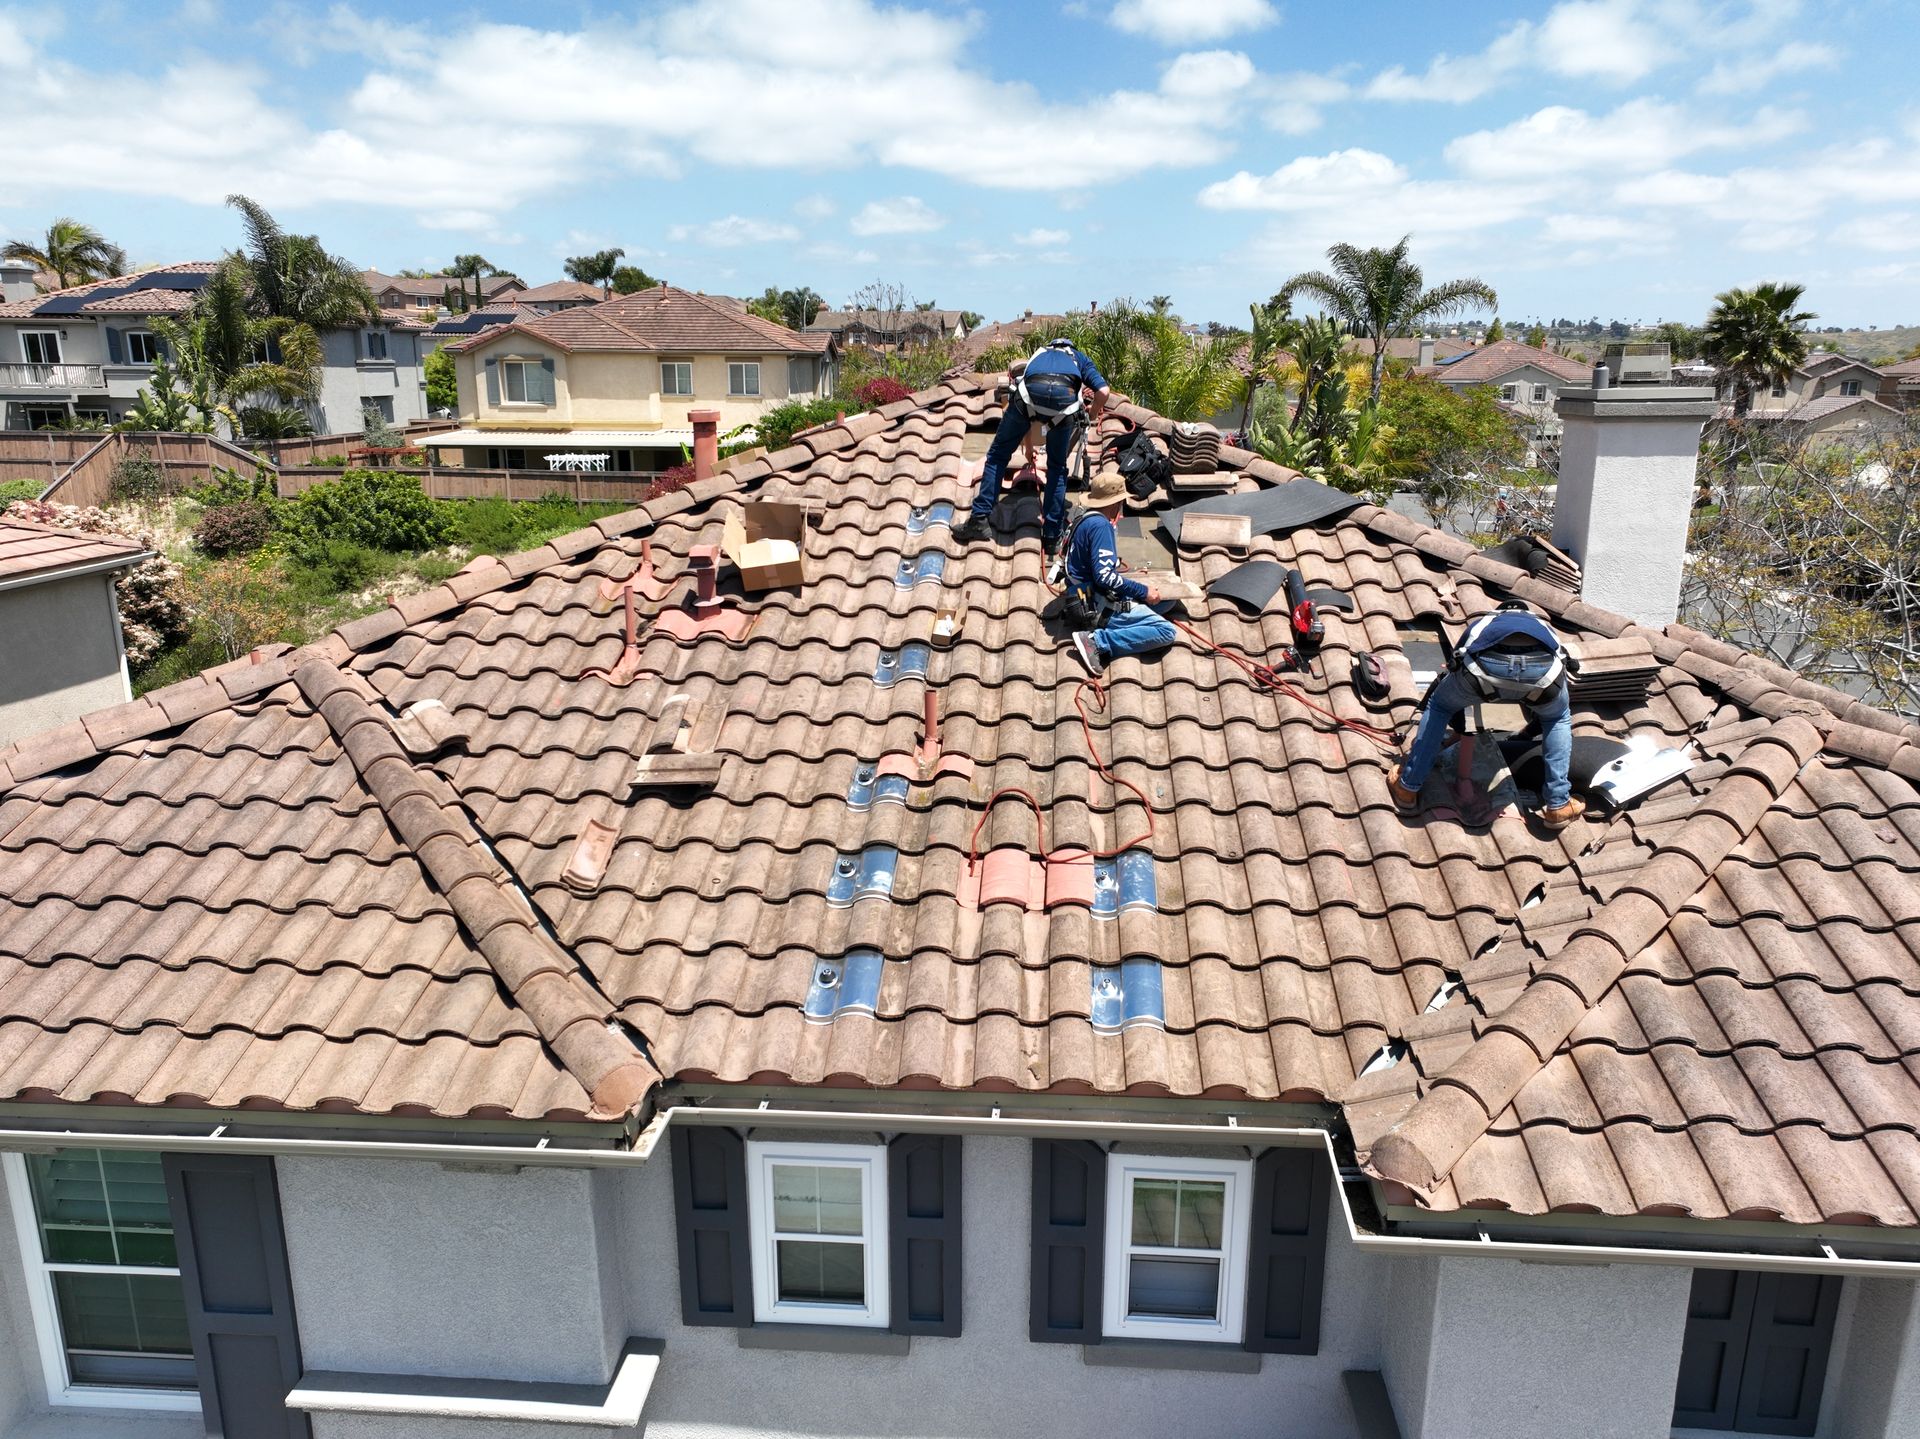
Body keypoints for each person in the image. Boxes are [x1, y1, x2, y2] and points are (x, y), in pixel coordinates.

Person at [1388, 602, 1586, 830]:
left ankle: (1408, 787)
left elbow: (1459, 656)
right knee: (1557, 719)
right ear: (1525, 612)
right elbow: (1561, 658)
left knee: (1440, 707)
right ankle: (1558, 803)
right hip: (1541, 679)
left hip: (1483, 675)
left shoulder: (1487, 621)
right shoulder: (1542, 625)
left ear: (1501, 611)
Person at [953, 338, 1110, 552]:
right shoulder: (1079, 358)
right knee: (1057, 468)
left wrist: (1027, 447)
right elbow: (1103, 392)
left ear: (1051, 346)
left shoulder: (1039, 354)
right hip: (1064, 407)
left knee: (998, 456)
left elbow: (1027, 404)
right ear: (1070, 348)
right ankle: (1052, 535)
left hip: (1028, 399)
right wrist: (1091, 415)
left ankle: (979, 519)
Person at [1062, 467, 1177, 675]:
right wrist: (1142, 592)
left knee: (1168, 600)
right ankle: (1097, 641)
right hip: (1096, 604)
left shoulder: (1084, 519)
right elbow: (1104, 577)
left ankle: (1125, 623)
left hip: (1082, 595)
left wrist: (1135, 583)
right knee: (1166, 631)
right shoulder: (1100, 526)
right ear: (1115, 502)